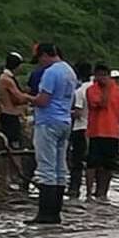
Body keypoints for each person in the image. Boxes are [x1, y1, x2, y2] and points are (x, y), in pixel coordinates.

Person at [27, 43, 78, 224]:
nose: (40, 63)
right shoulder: (69, 71)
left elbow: (43, 100)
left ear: (47, 55)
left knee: (46, 168)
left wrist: (25, 97)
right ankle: (55, 213)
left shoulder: (51, 72)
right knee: (60, 168)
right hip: (64, 121)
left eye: (40, 59)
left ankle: (45, 214)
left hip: (47, 122)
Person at [85, 64, 119, 202]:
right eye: (99, 75)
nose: (101, 78)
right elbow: (100, 104)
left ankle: (103, 193)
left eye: (104, 75)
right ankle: (89, 192)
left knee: (108, 165)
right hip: (96, 131)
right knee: (92, 163)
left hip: (112, 132)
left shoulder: (118, 91)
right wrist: (106, 88)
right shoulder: (92, 90)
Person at [67, 62, 94, 198]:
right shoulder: (96, 88)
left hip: (80, 128)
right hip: (95, 129)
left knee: (77, 161)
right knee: (93, 162)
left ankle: (74, 188)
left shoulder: (79, 91)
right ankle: (93, 192)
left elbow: (77, 112)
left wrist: (66, 112)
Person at [0, 52, 33, 151]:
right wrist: (32, 98)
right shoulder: (7, 79)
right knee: (13, 145)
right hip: (10, 115)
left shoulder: (6, 78)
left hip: (8, 114)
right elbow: (18, 98)